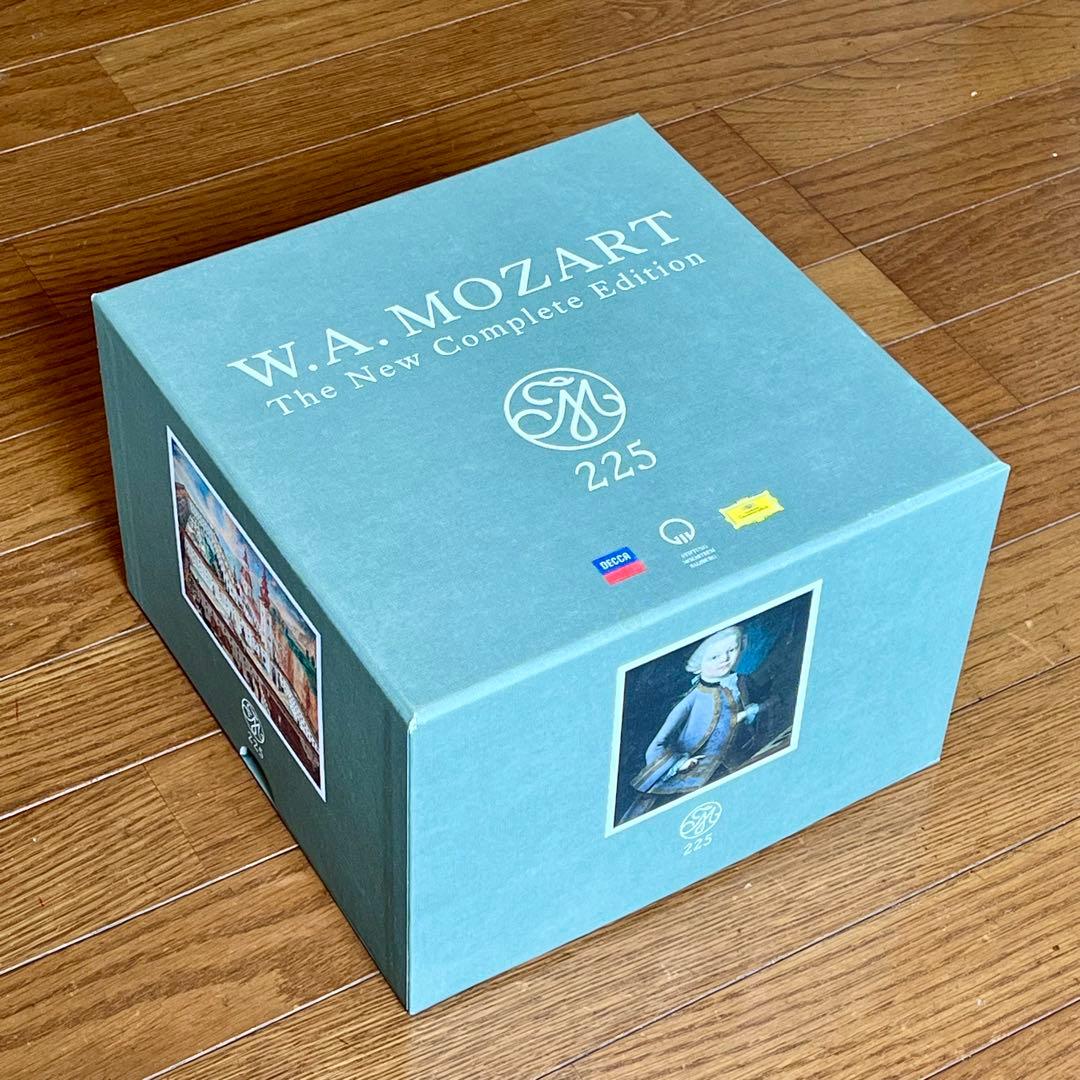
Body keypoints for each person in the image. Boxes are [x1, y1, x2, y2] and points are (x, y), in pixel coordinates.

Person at [618, 624, 760, 825]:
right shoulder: (693, 698)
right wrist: (678, 764)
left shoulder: (739, 683)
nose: (725, 659)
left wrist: (749, 714)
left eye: (732, 650)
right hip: (686, 778)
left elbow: (731, 724)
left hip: (727, 766)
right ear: (698, 663)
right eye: (714, 657)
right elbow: (656, 745)